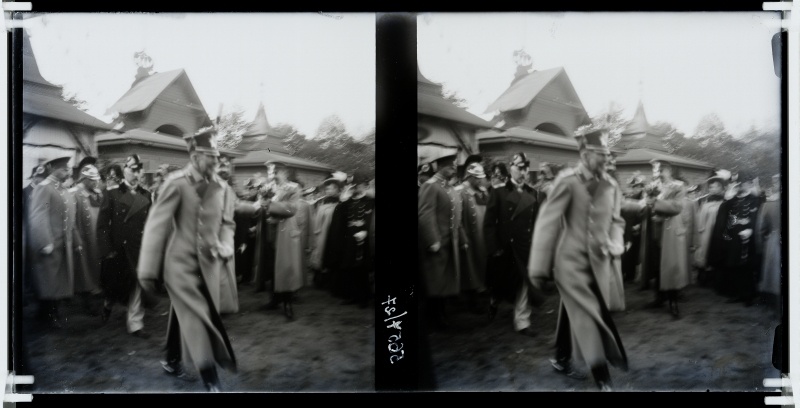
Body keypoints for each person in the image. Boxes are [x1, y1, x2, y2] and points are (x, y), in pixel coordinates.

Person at [528, 129, 628, 391]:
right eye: (601, 155)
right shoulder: (567, 181)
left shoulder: (612, 185)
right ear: (585, 154)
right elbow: (547, 223)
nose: (606, 159)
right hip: (570, 264)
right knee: (588, 317)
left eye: (608, 154)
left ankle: (561, 358)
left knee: (572, 311)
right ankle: (603, 380)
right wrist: (538, 268)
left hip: (599, 264)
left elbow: (617, 221)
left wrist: (615, 242)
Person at [138, 126, 236, 392]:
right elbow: (156, 227)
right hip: (180, 267)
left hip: (210, 266)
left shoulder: (223, 188)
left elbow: (228, 223)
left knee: (182, 315)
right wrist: (147, 271)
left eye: (217, 157)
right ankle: (211, 381)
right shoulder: (177, 183)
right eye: (210, 157)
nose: (216, 162)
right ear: (195, 156)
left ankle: (171, 360)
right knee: (198, 318)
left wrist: (226, 244)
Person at [484, 152, 541, 337]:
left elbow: (537, 222)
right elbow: (489, 223)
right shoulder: (499, 192)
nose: (522, 172)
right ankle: (493, 301)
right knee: (501, 284)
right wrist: (493, 247)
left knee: (524, 282)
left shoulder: (533, 194)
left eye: (525, 168)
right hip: (504, 247)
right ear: (511, 168)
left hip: (524, 247)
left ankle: (522, 321)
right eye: (518, 167)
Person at [96, 154, 153, 338]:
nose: (136, 174)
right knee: (114, 287)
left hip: (138, 249)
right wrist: (106, 250)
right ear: (125, 171)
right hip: (118, 249)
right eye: (132, 170)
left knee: (137, 284)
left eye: (138, 170)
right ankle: (107, 305)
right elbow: (102, 225)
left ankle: (135, 324)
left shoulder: (146, 195)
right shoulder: (112, 194)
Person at [29, 156, 82, 329]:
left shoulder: (62, 190)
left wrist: (76, 240)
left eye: (67, 168)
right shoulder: (44, 188)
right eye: (63, 168)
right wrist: (44, 242)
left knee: (57, 282)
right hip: (50, 244)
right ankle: (47, 316)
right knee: (49, 282)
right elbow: (38, 216)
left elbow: (70, 219)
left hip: (62, 244)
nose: (67, 171)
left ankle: (52, 314)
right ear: (51, 168)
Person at [418, 149, 464, 330]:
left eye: (453, 164)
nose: (453, 168)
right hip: (437, 243)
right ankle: (434, 318)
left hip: (448, 242)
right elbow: (424, 215)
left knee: (443, 281)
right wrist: (432, 240)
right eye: (449, 165)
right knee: (435, 282)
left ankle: (440, 315)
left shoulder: (447, 186)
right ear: (439, 166)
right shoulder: (431, 185)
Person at [639, 160, 689, 318]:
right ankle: (659, 298)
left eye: (661, 169)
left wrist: (657, 204)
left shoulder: (678, 186)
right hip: (653, 232)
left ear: (669, 170)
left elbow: (677, 207)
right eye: (655, 169)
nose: (658, 172)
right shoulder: (652, 186)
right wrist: (647, 205)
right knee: (655, 265)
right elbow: (645, 204)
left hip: (670, 230)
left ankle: (673, 302)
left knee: (670, 266)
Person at [708, 171, 761, 306]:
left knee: (746, 266)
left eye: (740, 183)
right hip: (733, 237)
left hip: (747, 236)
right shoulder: (733, 200)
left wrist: (751, 229)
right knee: (734, 265)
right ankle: (738, 293)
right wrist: (728, 195)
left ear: (747, 184)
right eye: (736, 183)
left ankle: (749, 295)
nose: (737, 186)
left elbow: (757, 217)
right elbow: (725, 211)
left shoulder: (755, 200)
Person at [324, 171, 375, 309]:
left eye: (357, 185)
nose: (355, 188)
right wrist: (343, 199)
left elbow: (372, 219)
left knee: (362, 268)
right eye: (353, 185)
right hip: (349, 238)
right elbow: (339, 216)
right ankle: (352, 295)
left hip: (364, 237)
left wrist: (366, 231)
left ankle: (364, 297)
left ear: (364, 186)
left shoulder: (371, 201)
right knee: (349, 267)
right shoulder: (348, 202)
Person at [455, 162, 489, 313]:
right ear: (469, 177)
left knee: (481, 264)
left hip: (482, 236)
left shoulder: (483, 191)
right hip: (469, 235)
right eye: (477, 178)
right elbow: (457, 219)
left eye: (481, 178)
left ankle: (481, 292)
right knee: (469, 267)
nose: (480, 181)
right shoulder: (460, 192)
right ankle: (471, 300)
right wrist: (462, 238)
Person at [71, 164, 104, 315]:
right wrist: (76, 239)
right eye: (92, 180)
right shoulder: (74, 193)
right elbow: (71, 221)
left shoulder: (98, 193)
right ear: (84, 179)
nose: (95, 183)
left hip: (96, 238)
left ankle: (95, 295)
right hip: (83, 238)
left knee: (96, 267)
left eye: (96, 180)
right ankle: (87, 300)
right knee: (84, 270)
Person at [309, 175, 345, 289]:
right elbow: (317, 221)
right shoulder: (322, 203)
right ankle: (320, 280)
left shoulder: (342, 203)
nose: (330, 191)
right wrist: (316, 234)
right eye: (328, 189)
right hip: (323, 234)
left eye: (333, 188)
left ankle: (333, 281)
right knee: (322, 254)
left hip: (336, 235)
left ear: (338, 189)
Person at [693, 172, 728, 286]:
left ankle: (716, 277)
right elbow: (700, 219)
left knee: (717, 252)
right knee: (705, 251)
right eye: (711, 187)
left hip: (719, 232)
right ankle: (703, 276)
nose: (713, 189)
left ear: (722, 188)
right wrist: (700, 230)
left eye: (717, 186)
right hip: (707, 232)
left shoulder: (725, 202)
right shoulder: (705, 202)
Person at [215, 156, 240, 315]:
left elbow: (238, 206)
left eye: (227, 166)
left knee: (225, 272)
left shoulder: (228, 189)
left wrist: (261, 206)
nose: (225, 169)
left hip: (226, 235)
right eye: (221, 165)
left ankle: (223, 307)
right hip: (213, 235)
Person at [756, 174, 781, 319]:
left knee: (775, 274)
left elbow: (761, 227)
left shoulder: (768, 204)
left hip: (774, 240)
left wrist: (763, 241)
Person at [23, 163, 47, 303]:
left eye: (43, 177)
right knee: (28, 263)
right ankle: (27, 292)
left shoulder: (44, 192)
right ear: (33, 177)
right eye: (38, 176)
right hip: (27, 233)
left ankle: (37, 290)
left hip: (40, 233)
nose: (40, 179)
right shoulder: (24, 192)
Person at [621, 174, 645, 283]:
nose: (636, 189)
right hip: (627, 229)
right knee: (627, 252)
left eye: (638, 187)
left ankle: (633, 274)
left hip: (637, 229)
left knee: (635, 252)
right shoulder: (628, 198)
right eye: (634, 187)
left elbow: (644, 215)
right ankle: (626, 273)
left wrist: (639, 225)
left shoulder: (643, 199)